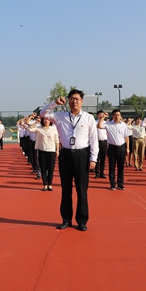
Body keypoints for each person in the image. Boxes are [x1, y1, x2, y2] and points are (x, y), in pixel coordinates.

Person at [40, 89, 98, 231]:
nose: (74, 101)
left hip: (82, 155)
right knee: (66, 190)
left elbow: (93, 139)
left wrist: (93, 159)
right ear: (68, 101)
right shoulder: (61, 116)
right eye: (71, 99)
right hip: (65, 155)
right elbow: (43, 113)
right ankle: (66, 220)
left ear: (82, 101)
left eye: (77, 99)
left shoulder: (88, 118)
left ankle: (82, 220)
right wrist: (55, 103)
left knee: (82, 191)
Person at [25, 113, 60, 191]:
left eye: (47, 120)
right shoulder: (39, 128)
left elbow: (56, 140)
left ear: (50, 121)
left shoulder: (53, 129)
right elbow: (29, 129)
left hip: (51, 151)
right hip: (42, 150)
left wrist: (57, 150)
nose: (46, 121)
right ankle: (45, 184)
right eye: (44, 120)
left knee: (51, 168)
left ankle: (50, 184)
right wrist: (35, 123)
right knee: (43, 168)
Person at [98, 109, 130, 190]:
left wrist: (127, 148)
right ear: (112, 116)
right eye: (115, 115)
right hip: (112, 148)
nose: (117, 116)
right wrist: (103, 117)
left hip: (122, 147)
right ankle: (112, 184)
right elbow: (99, 126)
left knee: (121, 167)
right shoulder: (108, 124)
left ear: (120, 116)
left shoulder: (124, 125)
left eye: (118, 115)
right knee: (112, 167)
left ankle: (120, 184)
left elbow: (126, 137)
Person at [94, 110, 108, 179]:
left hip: (104, 142)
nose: (101, 116)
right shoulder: (94, 122)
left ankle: (102, 172)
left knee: (103, 158)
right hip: (96, 142)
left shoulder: (106, 123)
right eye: (100, 114)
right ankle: (97, 173)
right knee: (96, 158)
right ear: (97, 115)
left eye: (102, 115)